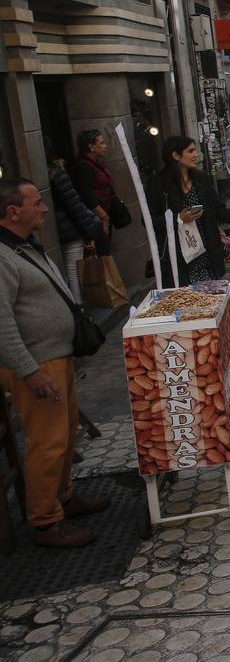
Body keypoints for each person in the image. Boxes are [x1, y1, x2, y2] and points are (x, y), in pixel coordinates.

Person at [0, 177, 110, 548]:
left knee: (63, 436)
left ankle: (63, 498)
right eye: (36, 202)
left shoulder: (22, 247)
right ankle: (45, 522)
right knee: (46, 442)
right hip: (36, 363)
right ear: (13, 211)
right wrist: (29, 370)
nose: (44, 207)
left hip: (56, 357)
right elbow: (1, 322)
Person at [149, 136, 230, 285]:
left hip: (207, 254)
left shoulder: (200, 179)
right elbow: (150, 221)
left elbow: (218, 209)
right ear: (175, 155)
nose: (196, 155)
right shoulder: (159, 184)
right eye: (191, 151)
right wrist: (179, 218)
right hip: (179, 259)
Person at [44, 141, 100, 303]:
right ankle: (78, 307)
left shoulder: (54, 174)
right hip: (68, 229)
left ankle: (76, 307)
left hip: (60, 229)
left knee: (69, 272)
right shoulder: (57, 173)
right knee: (73, 272)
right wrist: (89, 233)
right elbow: (73, 203)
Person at [70, 129, 120, 257]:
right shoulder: (83, 167)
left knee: (105, 250)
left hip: (104, 213)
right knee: (101, 254)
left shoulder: (97, 164)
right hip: (95, 218)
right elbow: (86, 195)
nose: (105, 146)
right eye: (101, 143)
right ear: (91, 147)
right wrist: (103, 216)